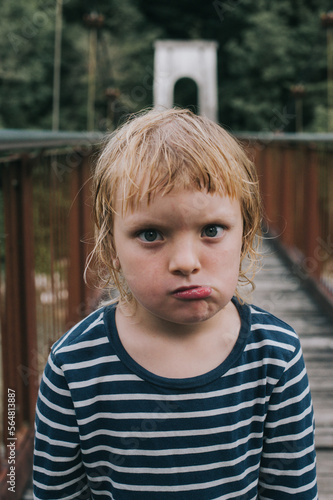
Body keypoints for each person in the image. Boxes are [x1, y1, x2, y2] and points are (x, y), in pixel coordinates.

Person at [33, 108, 318, 499]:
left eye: (211, 230)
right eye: (151, 233)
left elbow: (291, 490)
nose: (186, 261)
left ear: (247, 233)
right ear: (111, 246)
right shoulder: (74, 365)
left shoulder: (275, 356)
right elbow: (57, 491)